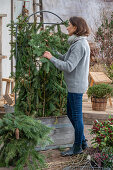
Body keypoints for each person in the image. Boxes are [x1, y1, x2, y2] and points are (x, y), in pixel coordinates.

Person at [43, 16, 90, 156]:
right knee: (71, 113)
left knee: (76, 116)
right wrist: (51, 52)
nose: (67, 27)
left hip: (76, 87)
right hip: (74, 85)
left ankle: (77, 147)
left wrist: (51, 58)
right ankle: (83, 142)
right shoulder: (77, 43)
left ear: (76, 27)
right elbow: (65, 58)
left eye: (69, 25)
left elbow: (68, 66)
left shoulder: (80, 45)